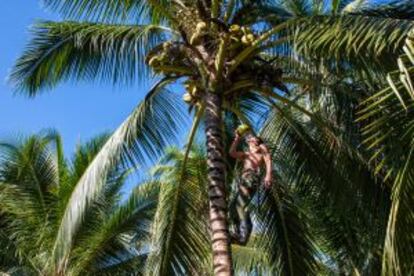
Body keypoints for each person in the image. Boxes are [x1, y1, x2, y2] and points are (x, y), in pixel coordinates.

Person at [229, 130, 273, 245]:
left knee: (240, 205)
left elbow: (268, 159)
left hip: (251, 177)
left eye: (252, 137)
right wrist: (237, 139)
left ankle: (244, 235)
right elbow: (232, 153)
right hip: (244, 180)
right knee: (233, 207)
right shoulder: (247, 154)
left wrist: (268, 175)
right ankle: (238, 234)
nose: (249, 138)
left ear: (256, 141)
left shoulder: (261, 148)